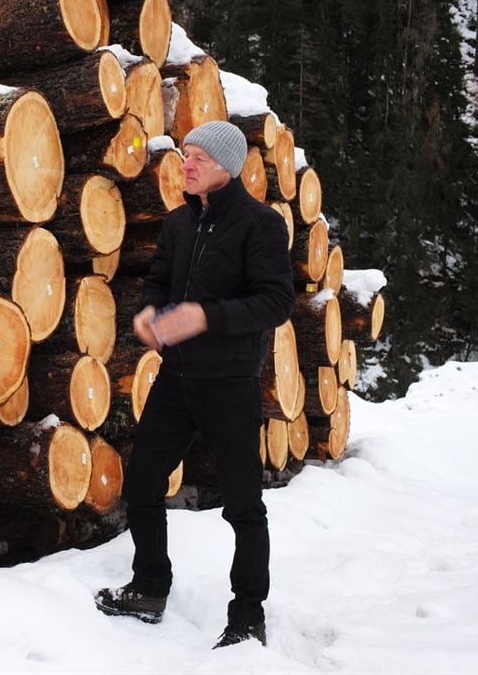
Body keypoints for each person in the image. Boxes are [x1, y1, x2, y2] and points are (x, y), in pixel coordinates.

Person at [94, 120, 294, 648]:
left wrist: (206, 316)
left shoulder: (261, 225)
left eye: (198, 157)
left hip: (229, 383)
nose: (187, 164)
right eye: (185, 154)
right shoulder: (181, 222)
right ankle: (149, 587)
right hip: (176, 378)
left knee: (243, 505)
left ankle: (248, 616)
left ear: (227, 166)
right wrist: (148, 314)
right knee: (140, 486)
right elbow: (159, 280)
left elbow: (276, 302)